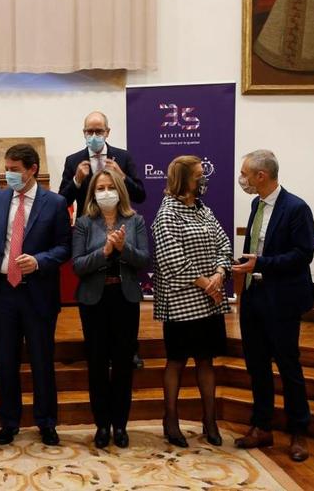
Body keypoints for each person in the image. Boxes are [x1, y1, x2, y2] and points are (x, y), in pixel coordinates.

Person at [0, 143, 71, 446]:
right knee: (5, 361)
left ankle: (46, 422)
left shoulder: (54, 203)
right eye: (7, 169)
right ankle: (9, 421)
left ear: (32, 170)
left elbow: (65, 248)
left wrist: (39, 261)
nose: (8, 175)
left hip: (37, 292)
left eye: (14, 170)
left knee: (42, 360)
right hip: (3, 293)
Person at [231, 149, 314, 462]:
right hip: (254, 296)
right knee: (257, 366)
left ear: (261, 176)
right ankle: (262, 426)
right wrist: (245, 265)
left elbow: (303, 254)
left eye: (246, 173)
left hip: (283, 299)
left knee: (288, 366)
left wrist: (261, 263)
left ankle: (298, 431)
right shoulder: (256, 204)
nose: (243, 179)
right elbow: (256, 249)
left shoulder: (296, 208)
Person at [152, 155, 232, 448]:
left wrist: (220, 273)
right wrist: (207, 284)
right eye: (199, 175)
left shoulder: (203, 210)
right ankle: (170, 420)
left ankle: (209, 421)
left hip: (210, 300)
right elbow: (172, 260)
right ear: (184, 179)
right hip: (182, 302)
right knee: (177, 360)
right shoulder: (167, 214)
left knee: (206, 359)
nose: (204, 180)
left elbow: (224, 243)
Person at [59, 110, 147, 368]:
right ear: (84, 133)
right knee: (94, 293)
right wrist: (76, 180)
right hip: (89, 234)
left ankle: (129, 350)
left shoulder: (123, 157)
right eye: (89, 131)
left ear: (108, 132)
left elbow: (140, 194)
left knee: (125, 291)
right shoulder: (73, 160)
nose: (94, 136)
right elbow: (60, 200)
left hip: (121, 227)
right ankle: (98, 352)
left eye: (99, 131)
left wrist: (122, 176)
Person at [71, 169, 150, 449]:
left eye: (109, 187)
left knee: (123, 364)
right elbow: (78, 265)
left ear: (119, 190)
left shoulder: (135, 220)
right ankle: (102, 425)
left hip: (124, 298)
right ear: (93, 192)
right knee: (96, 363)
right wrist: (104, 252)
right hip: (94, 300)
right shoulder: (84, 223)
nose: (105, 192)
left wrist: (123, 247)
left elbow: (143, 260)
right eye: (100, 188)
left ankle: (121, 425)